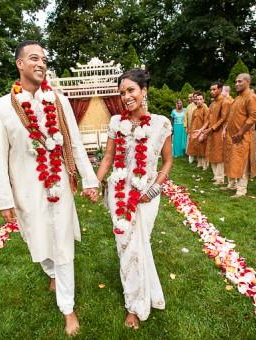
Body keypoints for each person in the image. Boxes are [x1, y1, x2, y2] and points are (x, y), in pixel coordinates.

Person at [0, 40, 99, 336]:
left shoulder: (58, 101)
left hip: (60, 186)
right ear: (20, 64)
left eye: (45, 60)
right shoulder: (1, 107)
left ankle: (68, 307)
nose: (41, 64)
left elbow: (74, 142)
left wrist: (89, 180)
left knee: (62, 244)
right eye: (34, 58)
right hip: (27, 191)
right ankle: (50, 271)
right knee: (38, 241)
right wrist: (5, 200)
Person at [96, 68, 172, 330]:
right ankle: (134, 306)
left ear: (144, 91)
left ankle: (145, 294)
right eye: (122, 93)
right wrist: (96, 181)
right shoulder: (117, 122)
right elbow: (108, 157)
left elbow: (168, 160)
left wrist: (154, 189)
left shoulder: (161, 123)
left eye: (131, 90)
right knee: (126, 248)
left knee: (141, 245)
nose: (126, 97)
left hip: (146, 196)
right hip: (119, 193)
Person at [223, 73, 256, 197]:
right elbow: (231, 117)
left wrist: (240, 132)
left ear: (247, 82)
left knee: (242, 162)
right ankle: (232, 185)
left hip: (244, 136)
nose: (236, 84)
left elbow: (253, 117)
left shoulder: (251, 97)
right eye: (236, 82)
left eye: (239, 82)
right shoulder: (238, 98)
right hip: (233, 136)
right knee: (233, 160)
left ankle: (241, 190)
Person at [201, 82, 230, 184]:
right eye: (211, 89)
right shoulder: (213, 103)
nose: (212, 91)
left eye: (214, 89)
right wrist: (202, 129)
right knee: (212, 153)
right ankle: (216, 175)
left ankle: (220, 178)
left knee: (219, 154)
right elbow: (209, 119)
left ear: (220, 89)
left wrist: (212, 129)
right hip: (211, 132)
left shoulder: (225, 102)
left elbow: (223, 119)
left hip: (220, 132)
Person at [187, 92, 209, 169]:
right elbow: (192, 122)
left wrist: (202, 131)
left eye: (200, 99)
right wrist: (190, 131)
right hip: (194, 131)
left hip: (202, 131)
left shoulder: (206, 109)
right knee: (197, 147)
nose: (199, 101)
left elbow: (207, 121)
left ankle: (205, 165)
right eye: (197, 99)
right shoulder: (195, 110)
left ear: (203, 100)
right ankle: (199, 163)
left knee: (203, 148)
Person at [184, 93, 196, 162]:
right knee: (189, 142)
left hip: (198, 128)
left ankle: (197, 158)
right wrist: (186, 127)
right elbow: (185, 117)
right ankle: (190, 157)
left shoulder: (200, 105)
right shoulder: (188, 106)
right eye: (191, 97)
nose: (192, 98)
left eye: (193, 97)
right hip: (190, 127)